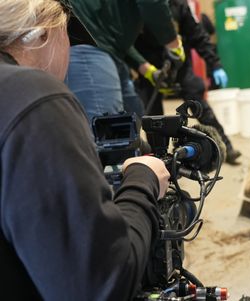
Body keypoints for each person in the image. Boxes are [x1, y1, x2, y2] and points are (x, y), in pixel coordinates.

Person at [0, 0, 170, 299]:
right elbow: (100, 286)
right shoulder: (34, 95)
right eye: (69, 35)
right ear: (41, 33)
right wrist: (144, 181)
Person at [133, 0, 241, 164]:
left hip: (179, 66)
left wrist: (215, 64)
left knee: (200, 107)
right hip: (150, 70)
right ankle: (158, 158)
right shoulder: (136, 6)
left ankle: (224, 147)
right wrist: (144, 69)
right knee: (152, 118)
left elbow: (198, 35)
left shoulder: (178, 5)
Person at [65, 0, 185, 122]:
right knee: (107, 130)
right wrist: (174, 46)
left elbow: (112, 36)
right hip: (88, 50)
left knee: (134, 117)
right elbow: (152, 2)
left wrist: (149, 71)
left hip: (107, 51)